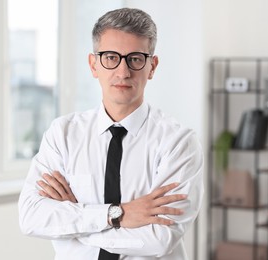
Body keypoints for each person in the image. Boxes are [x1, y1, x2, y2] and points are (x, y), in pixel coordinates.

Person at [18, 7, 204, 260]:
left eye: (135, 58)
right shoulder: (63, 134)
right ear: (94, 65)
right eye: (110, 57)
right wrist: (117, 214)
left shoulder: (178, 142)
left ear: (152, 66)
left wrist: (75, 225)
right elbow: (31, 217)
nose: (123, 71)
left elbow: (159, 240)